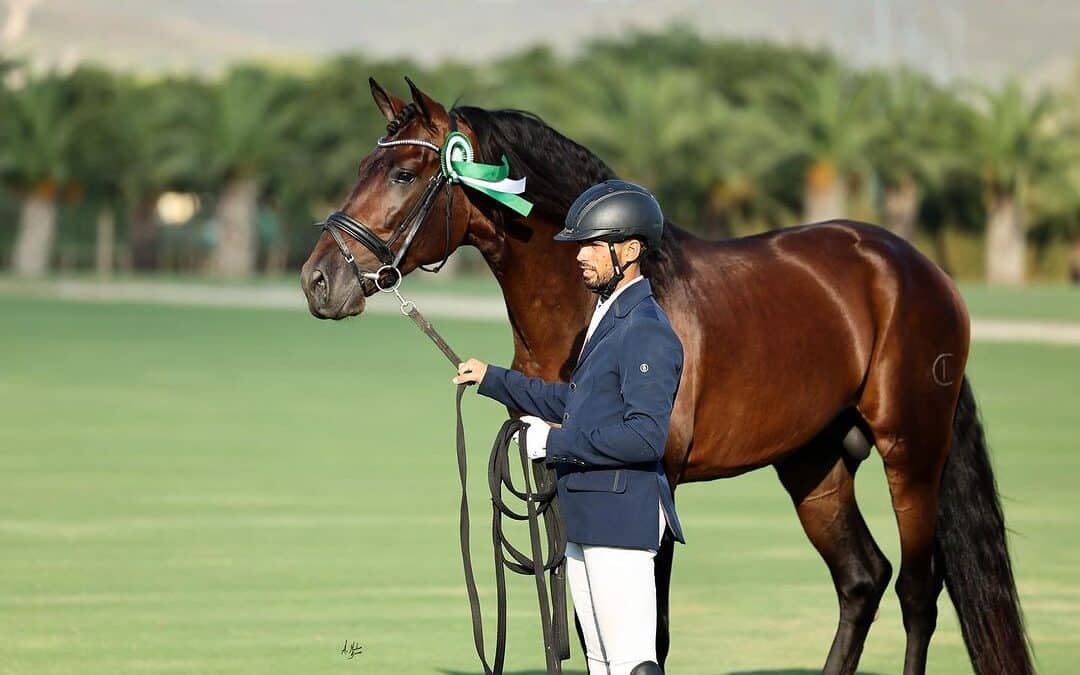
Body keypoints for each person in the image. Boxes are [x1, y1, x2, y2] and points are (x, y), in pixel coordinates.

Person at [453, 180, 686, 675]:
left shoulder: (645, 328)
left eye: (592, 245)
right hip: (588, 514)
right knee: (601, 661)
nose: (580, 256)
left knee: (632, 664)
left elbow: (645, 436)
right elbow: (578, 403)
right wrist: (494, 379)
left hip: (621, 519)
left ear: (630, 250)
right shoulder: (607, 318)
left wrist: (552, 442)